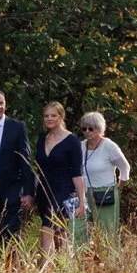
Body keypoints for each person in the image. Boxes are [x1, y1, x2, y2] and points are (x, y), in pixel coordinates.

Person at [33, 101, 87, 255]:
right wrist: (33, 193)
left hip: (62, 191)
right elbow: (39, 169)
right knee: (59, 233)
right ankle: (64, 268)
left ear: (61, 116)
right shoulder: (42, 138)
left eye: (53, 115)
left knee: (47, 229)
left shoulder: (72, 142)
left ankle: (42, 271)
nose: (49, 119)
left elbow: (77, 174)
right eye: (46, 116)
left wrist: (82, 202)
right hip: (44, 190)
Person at [0, 90, 33, 241]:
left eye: (1, 103)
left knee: (9, 233)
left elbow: (25, 160)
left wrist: (28, 192)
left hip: (11, 188)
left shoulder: (17, 128)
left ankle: (9, 263)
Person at [77, 112, 131, 248]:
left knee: (107, 234)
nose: (87, 132)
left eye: (91, 128)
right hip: (83, 193)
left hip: (104, 193)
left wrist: (119, 187)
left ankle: (109, 265)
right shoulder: (80, 146)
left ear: (99, 129)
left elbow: (124, 167)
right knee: (78, 231)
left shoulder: (109, 146)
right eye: (84, 129)